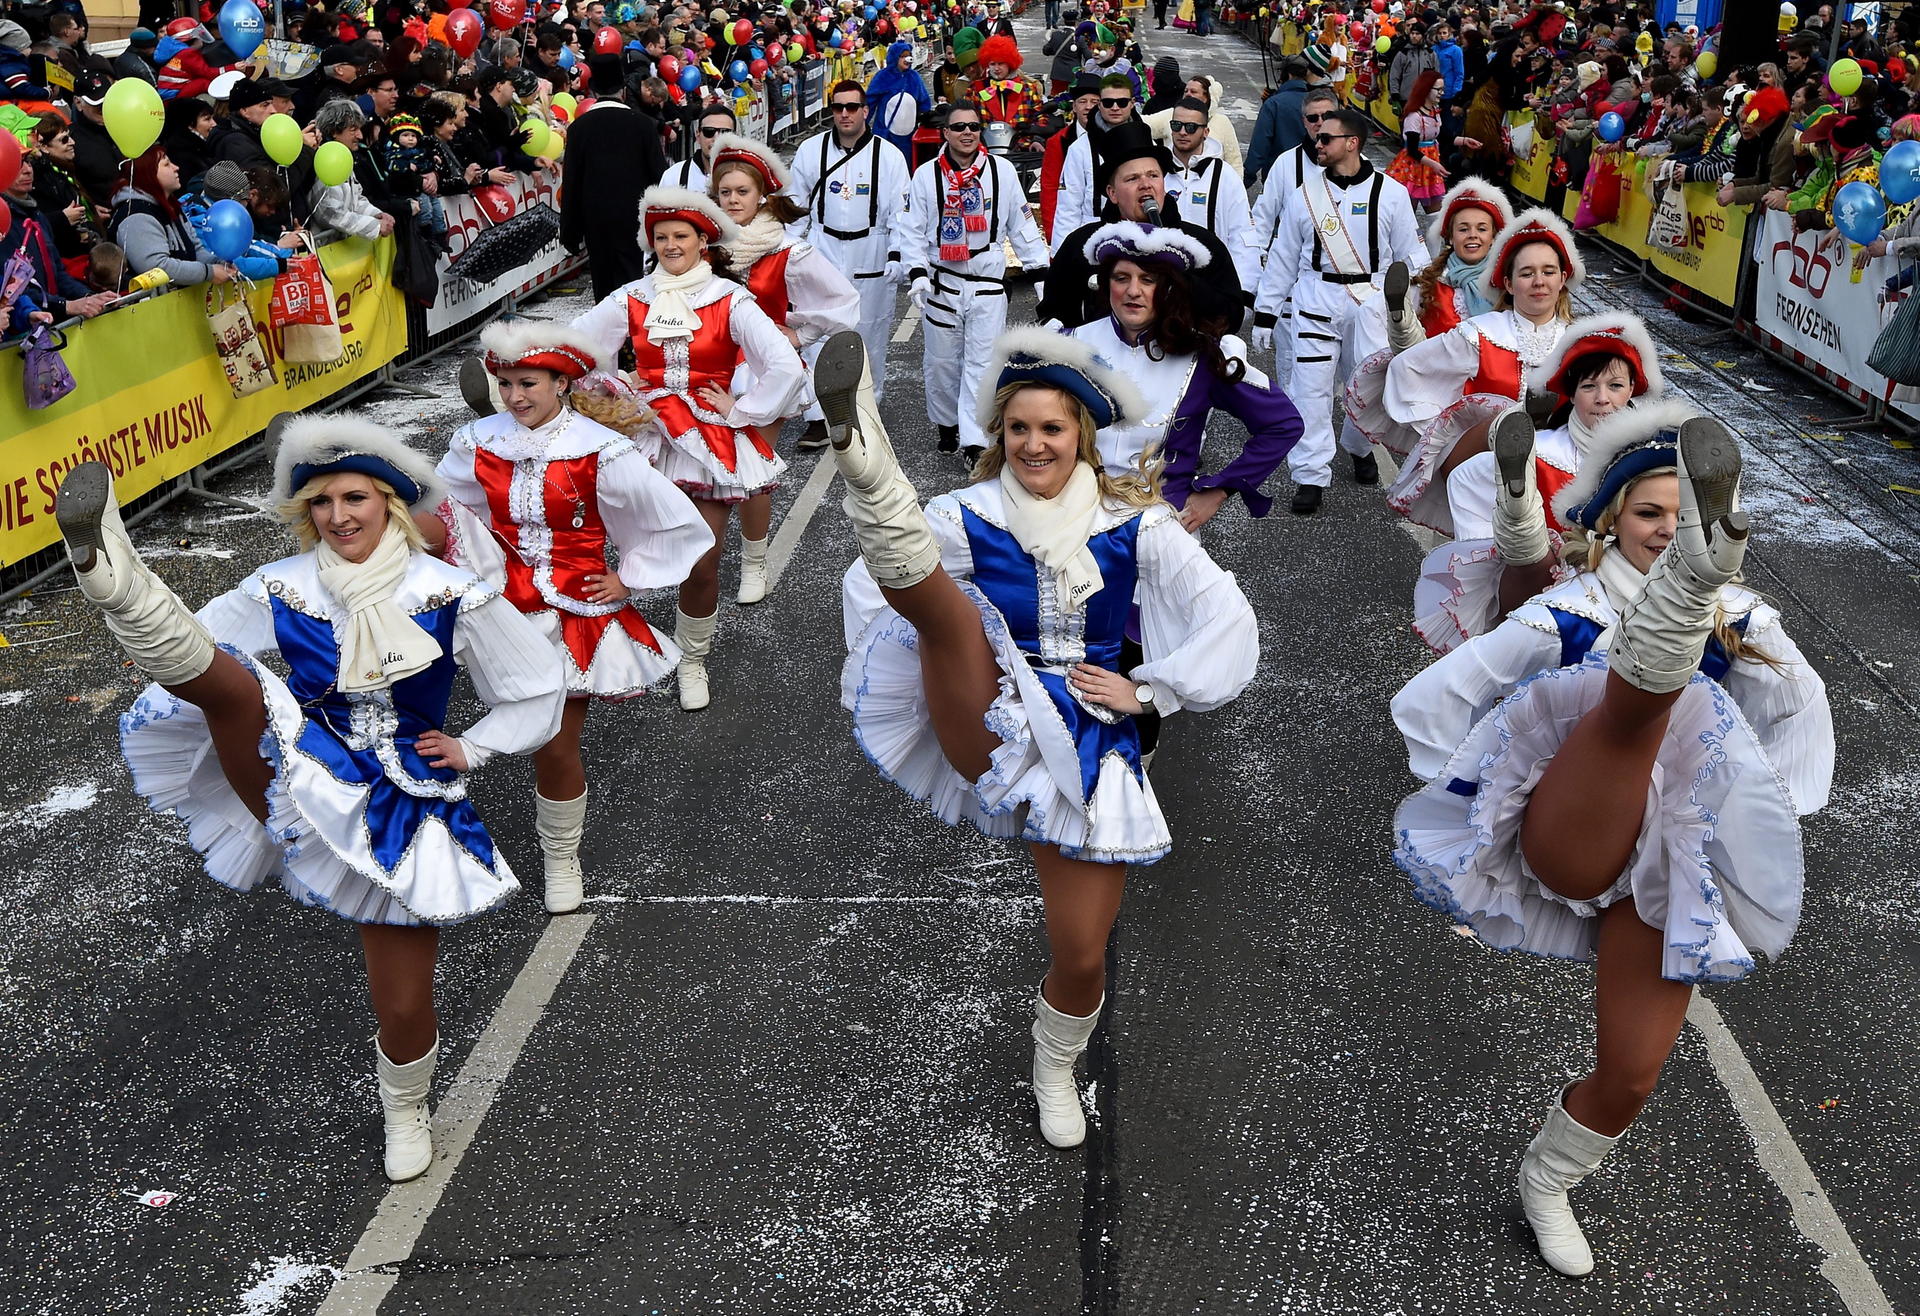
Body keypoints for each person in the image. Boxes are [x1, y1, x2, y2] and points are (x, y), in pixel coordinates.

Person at [50, 422, 566, 1182]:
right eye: (320, 502)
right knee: (230, 686)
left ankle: (405, 1108)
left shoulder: (449, 591)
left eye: (354, 496)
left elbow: (533, 685)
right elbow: (203, 646)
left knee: (398, 1003)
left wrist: (473, 747)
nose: (337, 515)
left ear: (388, 502)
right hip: (302, 770)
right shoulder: (281, 583)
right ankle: (109, 575)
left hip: (402, 801)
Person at [1391, 408, 1832, 1277]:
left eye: (1686, 517)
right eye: (1651, 514)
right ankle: (1660, 594)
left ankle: (1547, 1180)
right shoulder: (1572, 607)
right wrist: (1468, 804)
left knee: (1631, 1073)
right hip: (1569, 824)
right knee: (1628, 717)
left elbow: (1802, 713)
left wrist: (1760, 808)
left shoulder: (1749, 620)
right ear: (1610, 522)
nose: (1664, 527)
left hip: (1670, 855)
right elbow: (1439, 694)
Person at [815, 326, 1257, 1149]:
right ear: (1000, 437)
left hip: (1089, 738)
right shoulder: (967, 514)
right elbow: (866, 592)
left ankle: (1054, 1066)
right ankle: (863, 456)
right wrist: (887, 674)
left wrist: (1147, 688)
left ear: (1080, 436)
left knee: (1082, 954)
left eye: (1050, 428)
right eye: (1017, 428)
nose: (1032, 443)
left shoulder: (1139, 524)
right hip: (984, 703)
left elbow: (1228, 622)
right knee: (947, 612)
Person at [431, 321, 712, 911]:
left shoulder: (599, 449)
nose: (513, 398)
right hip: (500, 607)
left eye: (527, 383)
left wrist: (626, 574)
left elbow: (676, 521)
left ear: (561, 382)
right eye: (504, 384)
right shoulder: (477, 442)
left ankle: (561, 859)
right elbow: (444, 510)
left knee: (555, 744)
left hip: (575, 613)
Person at [569, 186, 807, 711]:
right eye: (661, 237)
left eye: (681, 236)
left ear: (703, 240)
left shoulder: (729, 298)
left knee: (703, 556)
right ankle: (591, 645)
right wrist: (608, 387)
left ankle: (692, 661)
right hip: (644, 433)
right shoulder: (631, 296)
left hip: (704, 441)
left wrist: (741, 410)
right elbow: (575, 346)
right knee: (601, 540)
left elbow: (785, 366)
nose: (671, 245)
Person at [1412, 313, 1664, 654]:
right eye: (1589, 386)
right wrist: (1486, 549)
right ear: (1572, 396)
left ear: (1633, 389)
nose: (1602, 398)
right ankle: (1519, 519)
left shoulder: (1655, 456)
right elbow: (1466, 479)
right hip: (1547, 594)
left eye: (1615, 386)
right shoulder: (1544, 452)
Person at [1068, 221, 1303, 528]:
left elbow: (1283, 423)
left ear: (1168, 289)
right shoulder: (1068, 344)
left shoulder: (1201, 356)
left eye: (1148, 280)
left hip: (1162, 527)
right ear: (1106, 283)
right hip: (1075, 524)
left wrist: (1218, 491)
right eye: (1121, 278)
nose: (1133, 291)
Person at [704, 133, 859, 594]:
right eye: (724, 193)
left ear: (762, 196)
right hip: (706, 367)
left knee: (750, 464)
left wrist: (801, 332)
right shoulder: (702, 243)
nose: (732, 201)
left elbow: (843, 300)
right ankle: (704, 560)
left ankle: (754, 561)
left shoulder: (788, 251)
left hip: (760, 371)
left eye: (741, 192)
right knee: (709, 467)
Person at [1251, 108, 1424, 515]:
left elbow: (1414, 255)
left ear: (1352, 143)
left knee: (1365, 389)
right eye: (1317, 137)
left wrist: (1405, 303)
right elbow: (1284, 256)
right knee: (1309, 390)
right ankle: (1310, 476)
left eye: (1327, 138)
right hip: (1315, 301)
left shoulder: (1392, 194)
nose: (1318, 143)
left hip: (1371, 305)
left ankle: (1357, 445)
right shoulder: (1305, 195)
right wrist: (1266, 310)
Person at [1383, 207, 1583, 535]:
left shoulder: (1579, 346)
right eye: (1527, 273)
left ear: (1563, 279)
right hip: (1481, 474)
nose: (1538, 282)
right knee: (1472, 567)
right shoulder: (1481, 333)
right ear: (1507, 281)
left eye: (1548, 272)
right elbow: (1412, 368)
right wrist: (1441, 430)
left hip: (1553, 476)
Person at [897, 103, 1051, 460]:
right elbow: (912, 230)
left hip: (987, 281)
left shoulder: (1002, 172)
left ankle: (976, 439)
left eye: (974, 126)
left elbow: (1022, 226)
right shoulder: (926, 176)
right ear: (946, 133)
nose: (967, 132)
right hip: (942, 282)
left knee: (982, 364)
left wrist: (1041, 276)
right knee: (941, 362)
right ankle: (947, 423)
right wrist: (916, 273)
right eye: (959, 127)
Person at [1342, 177, 1513, 457]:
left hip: (1494, 390)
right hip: (1442, 399)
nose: (1473, 235)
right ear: (1450, 236)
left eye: (1482, 228)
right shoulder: (1430, 284)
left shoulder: (1509, 286)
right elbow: (1374, 315)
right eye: (1464, 228)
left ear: (1495, 236)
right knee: (1443, 475)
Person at [786, 80, 914, 428]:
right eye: (838, 107)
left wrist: (896, 254)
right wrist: (786, 256)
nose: (844, 114)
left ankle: (865, 412)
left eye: (852, 107)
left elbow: (900, 212)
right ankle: (817, 417)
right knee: (815, 334)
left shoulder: (888, 156)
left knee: (868, 335)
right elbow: (796, 207)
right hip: (823, 249)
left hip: (869, 250)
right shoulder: (810, 152)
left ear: (865, 111)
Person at [560, 57, 669, 298]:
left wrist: (569, 230)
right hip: (633, 215)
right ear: (622, 90)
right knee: (631, 281)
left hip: (595, 219)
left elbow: (572, 183)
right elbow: (659, 175)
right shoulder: (642, 125)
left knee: (602, 282)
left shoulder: (579, 128)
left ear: (593, 90)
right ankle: (630, 331)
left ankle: (606, 332)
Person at [1160, 99, 1259, 295]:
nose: (1182, 132)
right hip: (1162, 285)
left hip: (1209, 285)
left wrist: (1244, 291)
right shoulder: (1157, 172)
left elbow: (1242, 237)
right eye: (1176, 125)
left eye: (1191, 127)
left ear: (1205, 132)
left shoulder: (1225, 176)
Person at [111, 147, 240, 290]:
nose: (176, 168)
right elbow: (156, 268)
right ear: (147, 173)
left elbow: (195, 250)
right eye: (166, 164)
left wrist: (218, 264)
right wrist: (209, 272)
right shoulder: (136, 216)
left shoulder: (172, 207)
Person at [308, 100, 399, 242]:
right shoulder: (325, 161)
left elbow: (356, 198)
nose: (360, 136)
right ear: (334, 132)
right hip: (326, 252)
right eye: (353, 130)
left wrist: (377, 214)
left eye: (359, 129)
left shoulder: (343, 158)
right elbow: (329, 212)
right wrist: (374, 226)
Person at [1039, 74, 1103, 243]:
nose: (1088, 107)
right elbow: (1050, 189)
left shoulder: (1114, 137)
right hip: (1069, 226)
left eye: (1094, 102)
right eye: (1082, 101)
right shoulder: (1058, 141)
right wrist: (1053, 236)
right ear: (1074, 107)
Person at [1388, 71, 1449, 214]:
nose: (1442, 93)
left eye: (1442, 89)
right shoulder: (1414, 116)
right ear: (1426, 89)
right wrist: (1434, 164)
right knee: (1407, 213)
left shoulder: (1435, 111)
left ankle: (1434, 237)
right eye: (1438, 89)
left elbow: (1443, 137)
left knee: (1436, 215)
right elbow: (1412, 150)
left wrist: (1464, 141)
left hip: (1430, 169)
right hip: (1412, 168)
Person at [867, 39, 933, 160]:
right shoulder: (883, 76)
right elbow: (869, 102)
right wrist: (863, 125)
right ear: (894, 57)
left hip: (908, 136)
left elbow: (923, 101)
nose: (907, 59)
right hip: (886, 134)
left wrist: (926, 119)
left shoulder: (914, 77)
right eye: (903, 56)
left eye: (909, 56)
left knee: (906, 165)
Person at [660, 102, 737, 192]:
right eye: (709, 131)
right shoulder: (674, 175)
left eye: (725, 132)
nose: (716, 139)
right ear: (698, 135)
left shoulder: (748, 174)